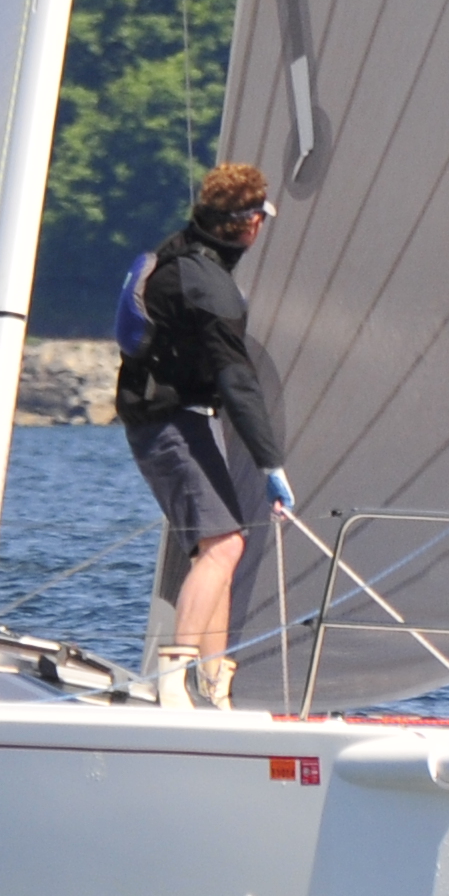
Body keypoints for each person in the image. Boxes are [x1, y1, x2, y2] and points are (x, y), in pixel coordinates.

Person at [112, 162, 295, 710]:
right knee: (223, 546)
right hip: (167, 421)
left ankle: (215, 687)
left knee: (222, 547)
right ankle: (172, 682)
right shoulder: (211, 290)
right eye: (261, 216)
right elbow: (238, 381)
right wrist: (271, 464)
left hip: (176, 415)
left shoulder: (182, 252)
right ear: (248, 225)